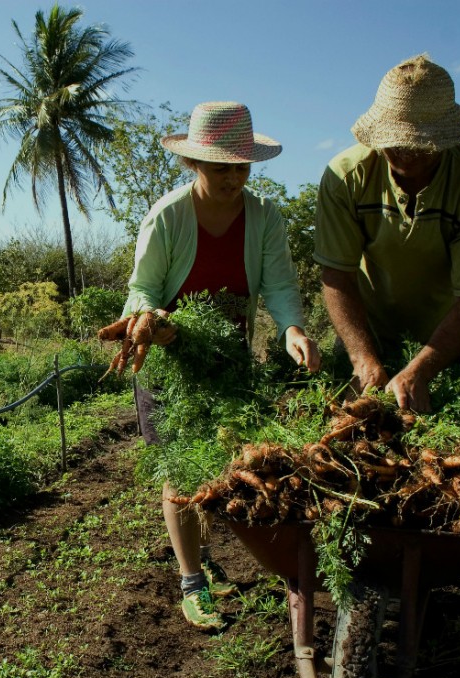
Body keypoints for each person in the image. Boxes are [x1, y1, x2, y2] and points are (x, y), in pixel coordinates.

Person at [123, 100, 320, 630]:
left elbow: (279, 285)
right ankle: (190, 582)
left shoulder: (263, 216)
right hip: (167, 358)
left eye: (241, 166)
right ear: (194, 164)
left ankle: (203, 558)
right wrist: (151, 318)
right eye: (220, 167)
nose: (233, 177)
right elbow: (141, 285)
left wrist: (291, 328)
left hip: (228, 359)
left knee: (215, 464)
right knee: (178, 470)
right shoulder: (168, 215)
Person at [313, 54, 460, 413]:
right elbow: (337, 273)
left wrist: (422, 369)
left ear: (443, 140)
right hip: (363, 327)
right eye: (394, 141)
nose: (404, 152)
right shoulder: (346, 176)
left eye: (419, 145)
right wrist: (361, 357)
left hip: (439, 341)